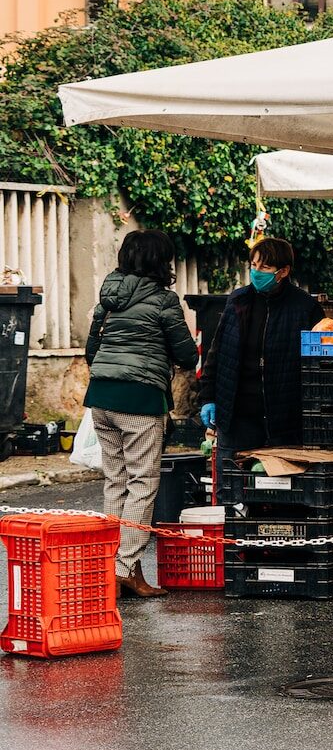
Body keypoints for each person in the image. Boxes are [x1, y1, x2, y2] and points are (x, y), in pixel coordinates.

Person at [86, 231, 199, 599]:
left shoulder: (108, 295)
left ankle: (113, 568)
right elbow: (187, 356)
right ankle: (123, 569)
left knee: (115, 481)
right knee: (142, 484)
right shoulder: (163, 300)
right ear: (159, 261)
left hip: (101, 397)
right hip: (140, 399)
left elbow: (92, 349)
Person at [198, 237, 326, 454]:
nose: (257, 272)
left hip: (285, 418)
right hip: (237, 415)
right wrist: (208, 398)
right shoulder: (238, 301)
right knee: (233, 480)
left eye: (265, 267)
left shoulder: (305, 307)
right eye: (254, 265)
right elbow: (218, 353)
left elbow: (319, 363)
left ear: (283, 272)